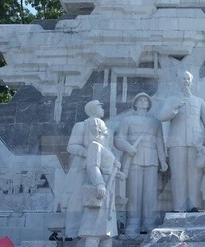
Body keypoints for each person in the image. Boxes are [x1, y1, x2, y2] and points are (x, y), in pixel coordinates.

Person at [158, 71, 205, 212]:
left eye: (188, 78)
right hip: (176, 142)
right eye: (183, 78)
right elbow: (161, 116)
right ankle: (179, 207)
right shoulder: (172, 99)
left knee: (195, 174)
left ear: (192, 82)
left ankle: (194, 205)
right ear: (179, 82)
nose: (185, 81)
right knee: (178, 176)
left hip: (196, 143)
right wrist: (176, 107)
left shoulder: (199, 101)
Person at [114, 92, 168, 235]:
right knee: (134, 192)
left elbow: (159, 142)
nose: (143, 101)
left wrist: (162, 160)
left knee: (150, 193)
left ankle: (149, 221)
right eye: (140, 100)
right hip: (134, 159)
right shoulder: (127, 120)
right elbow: (118, 139)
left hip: (151, 159)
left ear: (149, 104)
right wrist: (128, 147)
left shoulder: (155, 122)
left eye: (146, 100)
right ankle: (133, 222)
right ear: (135, 103)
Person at [78, 108, 125, 247]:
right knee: (94, 232)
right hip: (101, 190)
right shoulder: (95, 146)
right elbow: (92, 166)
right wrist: (99, 183)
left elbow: (107, 168)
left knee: (107, 233)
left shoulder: (106, 149)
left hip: (108, 191)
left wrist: (117, 173)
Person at [63, 100, 107, 238]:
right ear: (92, 110)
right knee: (77, 198)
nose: (102, 109)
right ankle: (72, 231)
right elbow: (71, 146)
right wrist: (87, 153)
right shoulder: (80, 125)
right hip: (82, 166)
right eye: (100, 107)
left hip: (100, 167)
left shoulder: (104, 127)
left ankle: (92, 230)